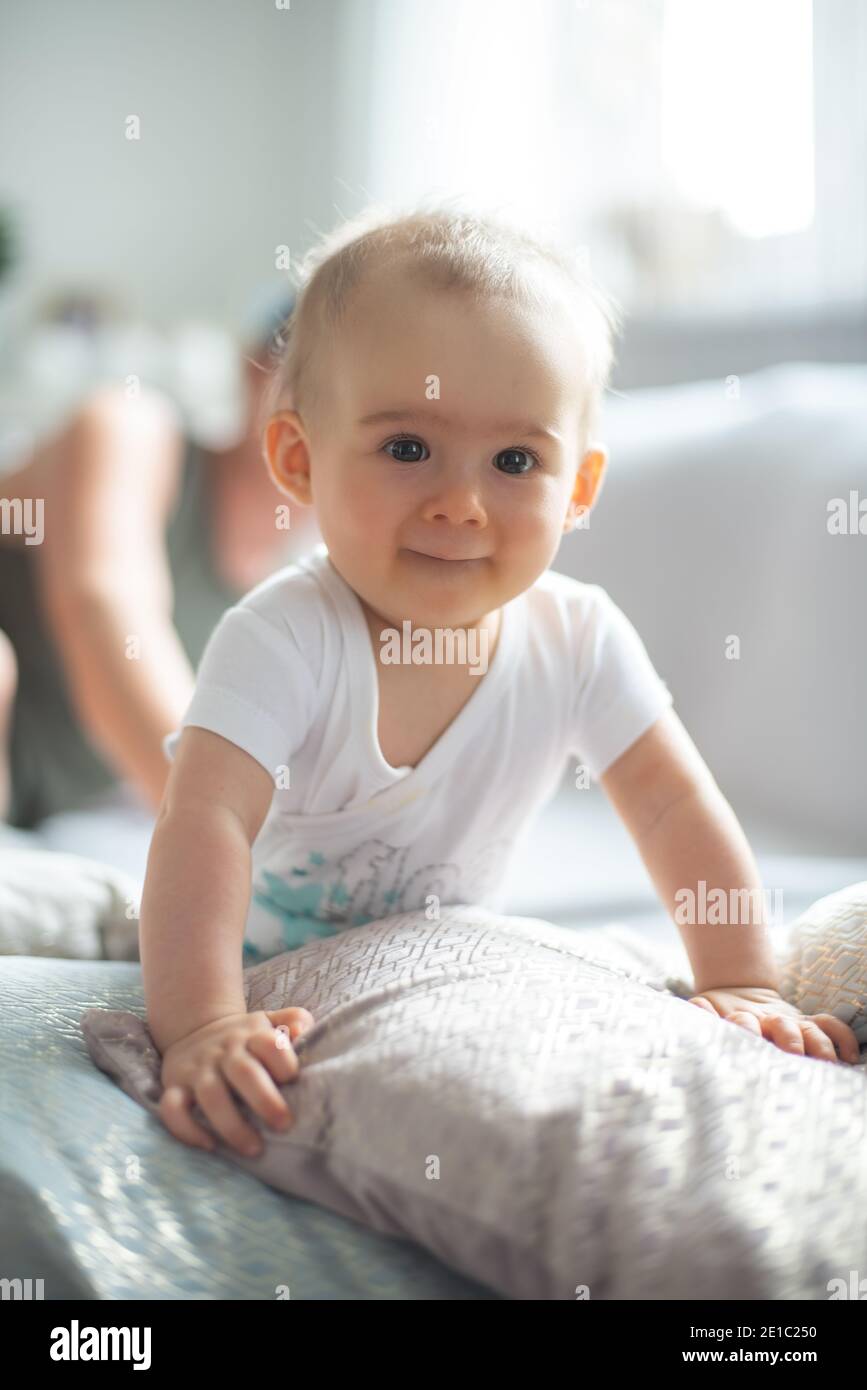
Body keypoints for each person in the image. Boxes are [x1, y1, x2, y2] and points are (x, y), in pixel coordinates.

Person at [137, 203, 861, 1163]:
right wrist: (198, 1025)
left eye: (515, 461)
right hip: (254, 976)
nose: (461, 503)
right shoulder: (280, 634)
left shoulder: (577, 635)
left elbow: (670, 803)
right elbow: (206, 822)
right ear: (297, 460)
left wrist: (743, 979)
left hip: (426, 957)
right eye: (407, 449)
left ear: (580, 489)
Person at [0, 293, 321, 871]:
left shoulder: (298, 596)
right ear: (258, 371)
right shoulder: (133, 428)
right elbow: (106, 611)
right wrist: (263, 860)